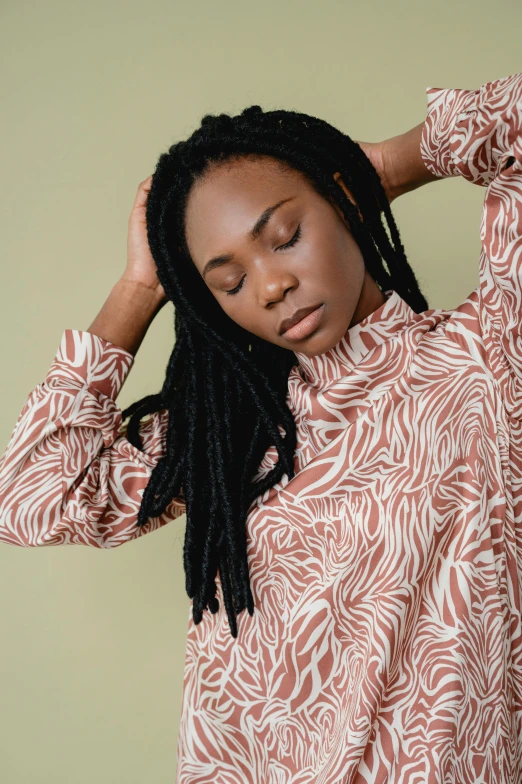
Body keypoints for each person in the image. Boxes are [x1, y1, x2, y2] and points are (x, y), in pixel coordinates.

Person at [0, 71, 521, 783]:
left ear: (338, 203)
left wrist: (383, 171)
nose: (270, 285)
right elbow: (30, 498)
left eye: (285, 235)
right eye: (229, 283)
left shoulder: (486, 357)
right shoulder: (233, 434)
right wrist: (140, 288)